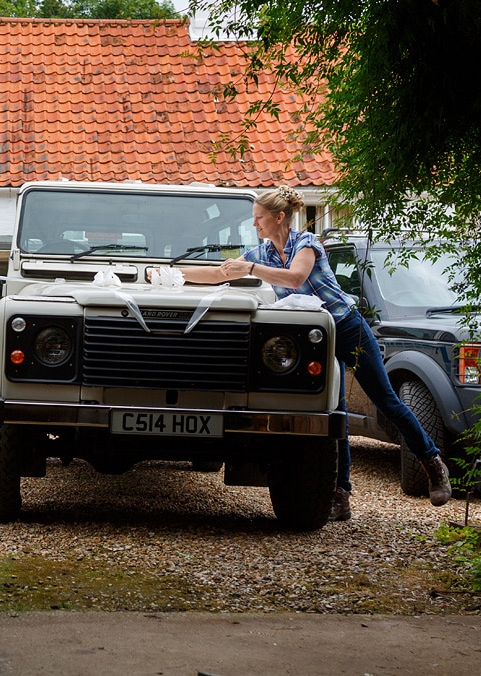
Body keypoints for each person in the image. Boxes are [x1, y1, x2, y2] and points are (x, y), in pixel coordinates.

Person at [173, 185, 451, 522]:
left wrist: (248, 270)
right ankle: (341, 495)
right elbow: (219, 274)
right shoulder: (260, 252)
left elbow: (295, 278)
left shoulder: (306, 243)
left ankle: (433, 463)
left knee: (386, 400)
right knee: (337, 414)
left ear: (279, 217)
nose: (255, 224)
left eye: (259, 218)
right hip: (314, 340)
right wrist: (174, 276)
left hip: (348, 329)